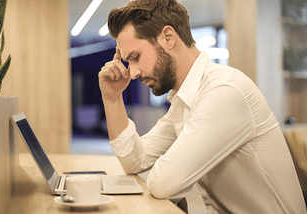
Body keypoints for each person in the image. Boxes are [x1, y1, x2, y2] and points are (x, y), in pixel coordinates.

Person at [98, 0, 306, 213]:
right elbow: (135, 160)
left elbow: (164, 183)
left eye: (136, 57)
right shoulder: (184, 100)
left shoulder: (224, 91)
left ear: (167, 38)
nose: (132, 73)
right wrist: (112, 98)